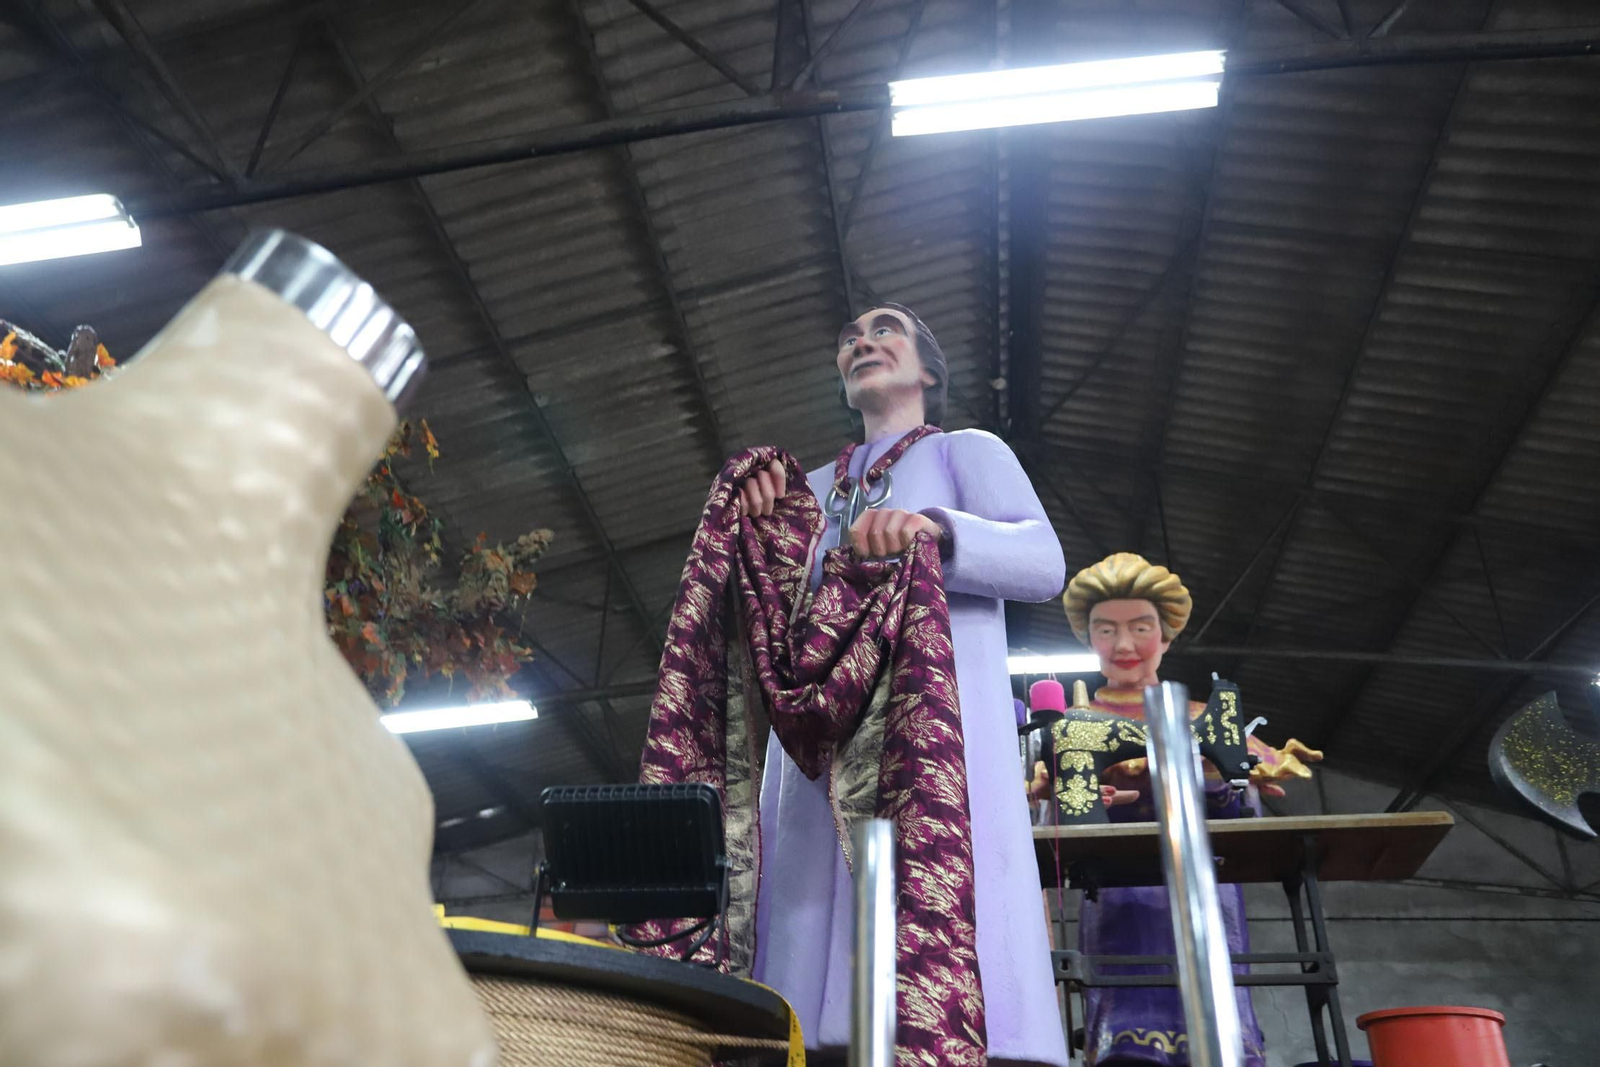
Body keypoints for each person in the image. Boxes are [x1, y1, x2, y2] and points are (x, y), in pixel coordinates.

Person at [740, 304, 1071, 1067]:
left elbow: (1043, 559)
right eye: (848, 338)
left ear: (927, 369)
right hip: (820, 741)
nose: (862, 342)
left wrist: (939, 531)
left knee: (936, 886)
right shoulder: (810, 486)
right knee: (803, 929)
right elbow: (767, 609)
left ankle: (958, 1020)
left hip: (935, 731)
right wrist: (754, 527)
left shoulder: (965, 452)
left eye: (884, 329)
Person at [1057, 553, 1321, 1066]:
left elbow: (1243, 809)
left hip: (1204, 884)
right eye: (1106, 630)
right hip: (1116, 895)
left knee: (1214, 1010)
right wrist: (1092, 800)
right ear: (1089, 640)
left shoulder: (1205, 718)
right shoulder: (1072, 725)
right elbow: (1056, 819)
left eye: (1140, 628)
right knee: (1126, 1019)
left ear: (1167, 636)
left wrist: (1223, 785)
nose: (1124, 645)